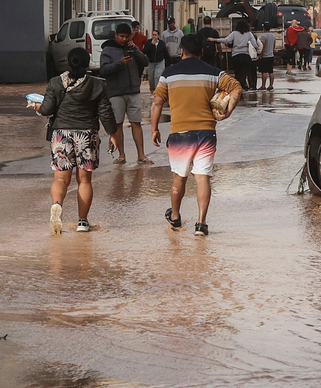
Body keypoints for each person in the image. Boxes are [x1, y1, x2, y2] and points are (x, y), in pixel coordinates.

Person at [150, 35, 243, 236]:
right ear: (201, 52)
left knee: (179, 178)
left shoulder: (168, 74)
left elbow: (157, 103)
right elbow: (236, 87)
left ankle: (175, 217)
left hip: (180, 134)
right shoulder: (214, 73)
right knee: (202, 178)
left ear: (181, 52)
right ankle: (201, 224)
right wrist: (227, 112)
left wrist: (154, 128)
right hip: (206, 133)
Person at [38, 47, 118, 234]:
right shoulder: (97, 85)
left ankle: (57, 206)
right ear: (87, 62)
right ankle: (82, 222)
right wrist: (113, 134)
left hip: (61, 135)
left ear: (68, 62)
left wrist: (37, 106)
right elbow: (105, 112)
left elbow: (47, 109)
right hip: (86, 135)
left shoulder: (56, 82)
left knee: (60, 178)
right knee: (84, 181)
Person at [99, 22, 152, 165]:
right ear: (116, 35)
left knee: (136, 123)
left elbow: (145, 62)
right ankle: (121, 155)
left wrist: (135, 51)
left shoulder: (132, 48)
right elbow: (103, 70)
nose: (124, 39)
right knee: (118, 124)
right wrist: (119, 64)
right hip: (116, 92)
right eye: (121, 36)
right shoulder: (108, 50)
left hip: (133, 91)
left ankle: (141, 154)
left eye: (127, 37)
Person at [213, 19, 258, 91]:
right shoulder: (249, 34)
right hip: (245, 56)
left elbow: (226, 40)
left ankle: (238, 87)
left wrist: (214, 40)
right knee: (244, 73)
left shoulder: (234, 33)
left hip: (236, 56)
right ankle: (242, 86)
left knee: (237, 73)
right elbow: (255, 44)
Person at [143, 29, 170, 94]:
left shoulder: (161, 43)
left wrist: (168, 63)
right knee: (151, 78)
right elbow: (145, 51)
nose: (154, 36)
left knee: (157, 77)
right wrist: (152, 44)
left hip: (159, 62)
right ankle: (152, 90)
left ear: (158, 36)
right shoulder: (148, 42)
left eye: (155, 35)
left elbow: (165, 53)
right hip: (151, 63)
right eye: (153, 35)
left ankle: (157, 92)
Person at [258, 24, 276, 90]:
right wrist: (272, 52)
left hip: (265, 56)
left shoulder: (263, 36)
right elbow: (274, 45)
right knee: (271, 71)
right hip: (271, 55)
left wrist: (261, 54)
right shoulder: (273, 35)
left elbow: (263, 46)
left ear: (264, 28)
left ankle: (263, 86)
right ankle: (271, 85)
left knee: (264, 71)